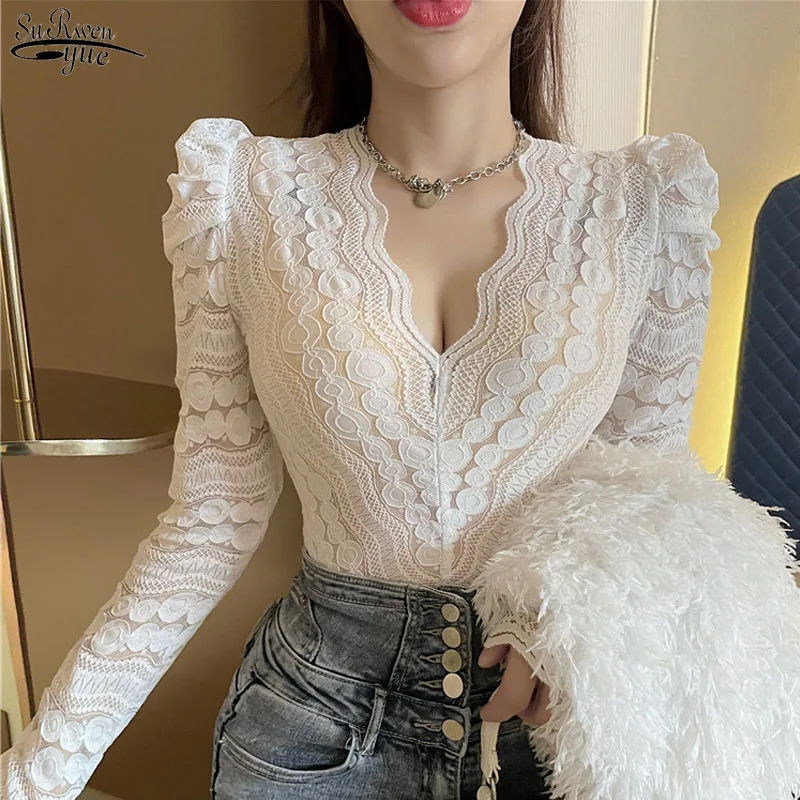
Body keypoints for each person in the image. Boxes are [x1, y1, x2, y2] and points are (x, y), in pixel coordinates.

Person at [0, 0, 725, 798]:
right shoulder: (241, 194)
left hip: (557, 736)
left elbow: (645, 490)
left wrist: (569, 607)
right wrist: (39, 772)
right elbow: (216, 509)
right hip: (308, 739)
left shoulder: (644, 205)